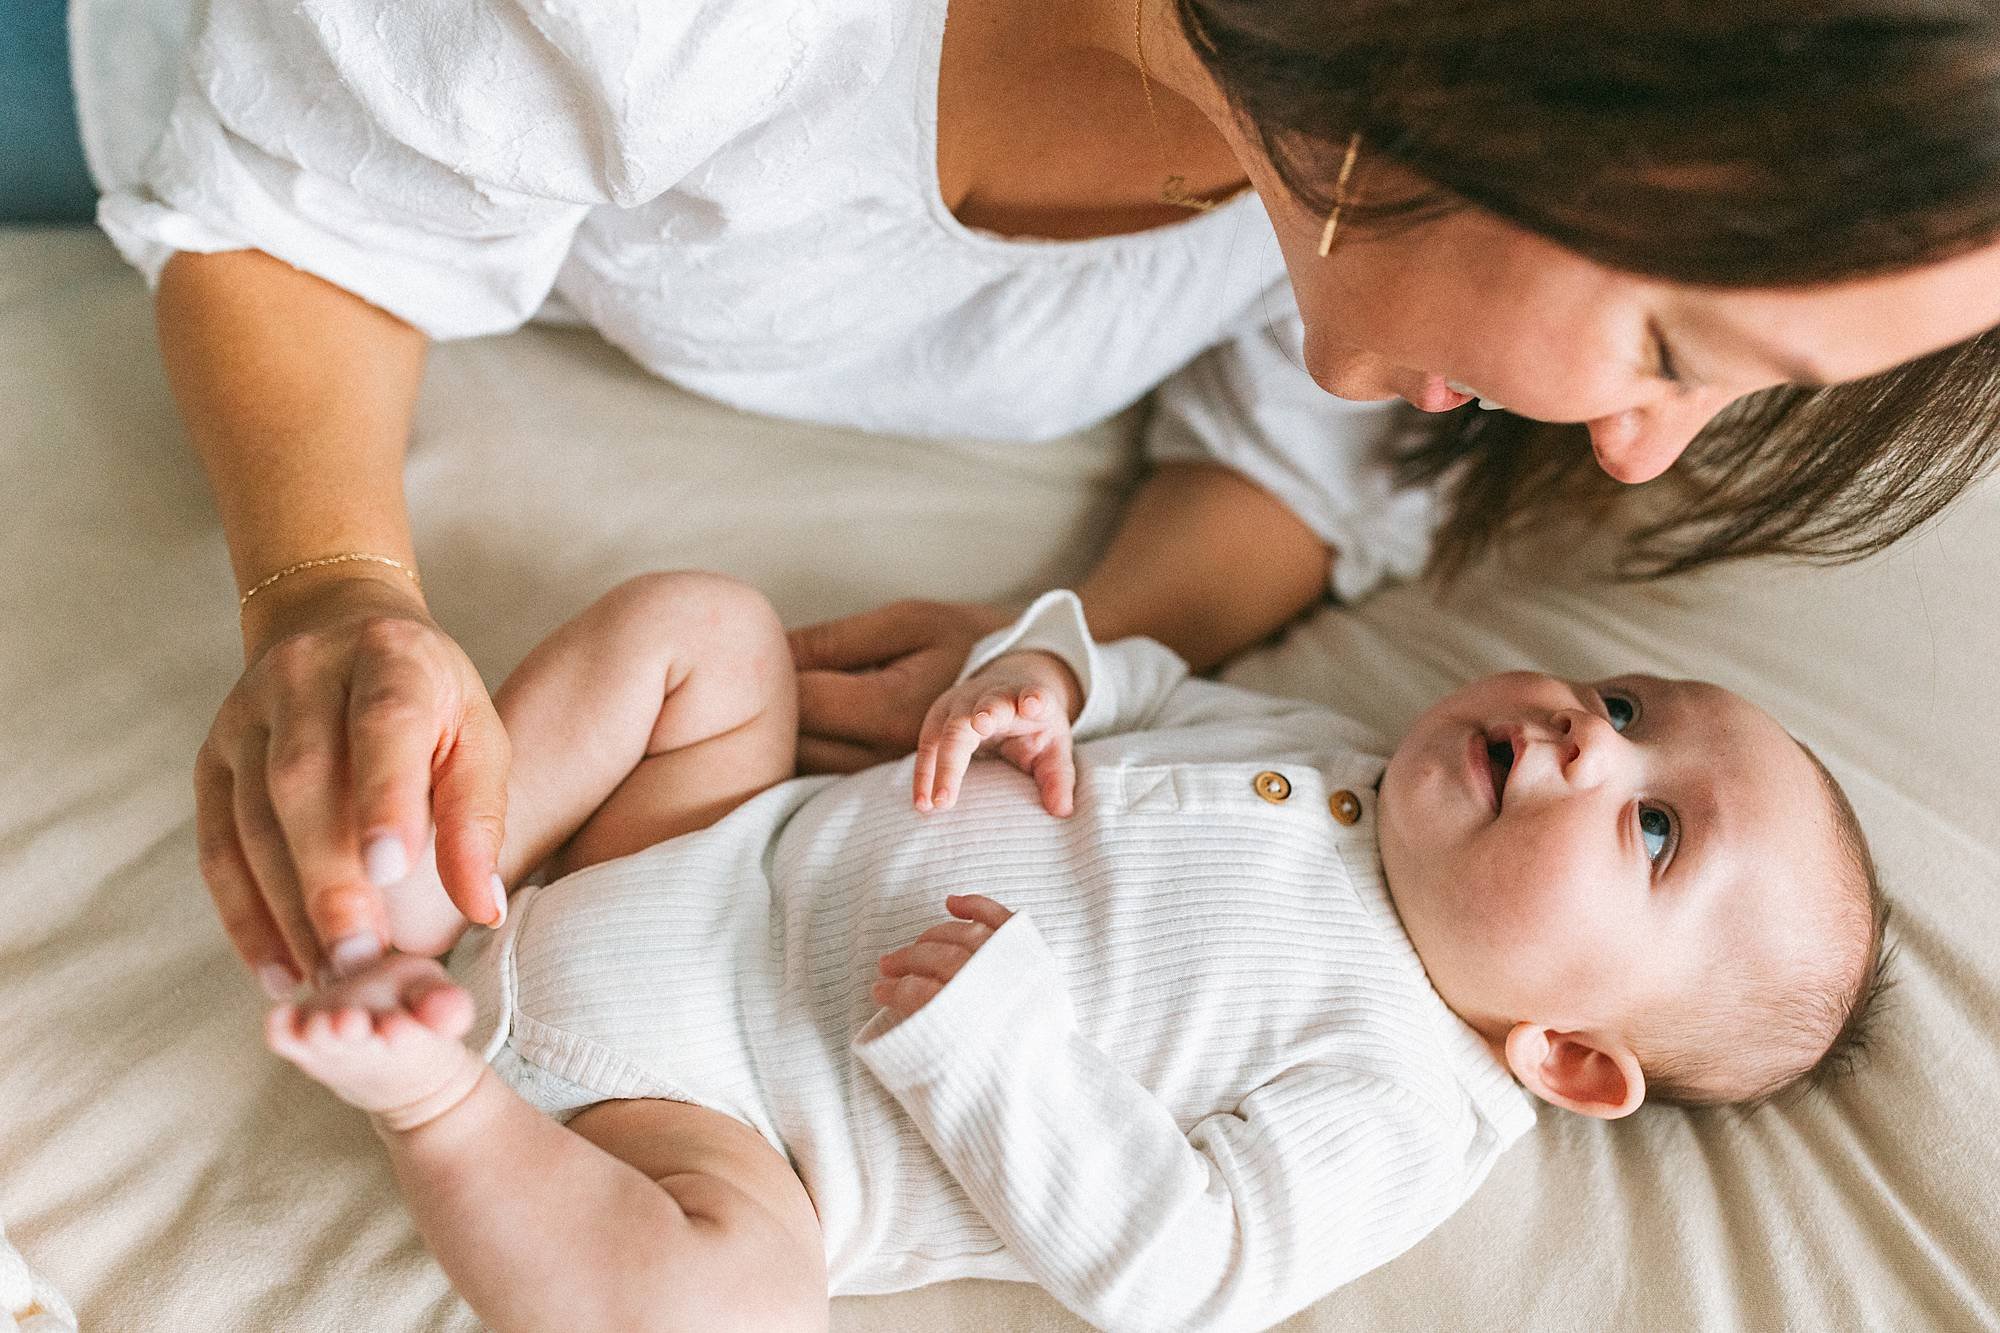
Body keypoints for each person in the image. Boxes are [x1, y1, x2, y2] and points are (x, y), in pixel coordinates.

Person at [80, 0, 2000, 993]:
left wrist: (1069, 663)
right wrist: (331, 582)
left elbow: (1293, 463)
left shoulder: (1333, 211)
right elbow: (304, 218)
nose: (1640, 449)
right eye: (1675, 348)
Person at [264, 570, 1889, 1332]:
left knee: (737, 1314)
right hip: (706, 858)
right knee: (706, 632)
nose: (1584, 738)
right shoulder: (1337, 743)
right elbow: (1148, 680)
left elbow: (1186, 1266)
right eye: (1623, 703)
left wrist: (1006, 1050)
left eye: (1654, 830)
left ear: (1570, 1052)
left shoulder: (1405, 1099)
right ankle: (426, 875)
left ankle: (437, 1096)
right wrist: (1040, 678)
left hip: (721, 1116)